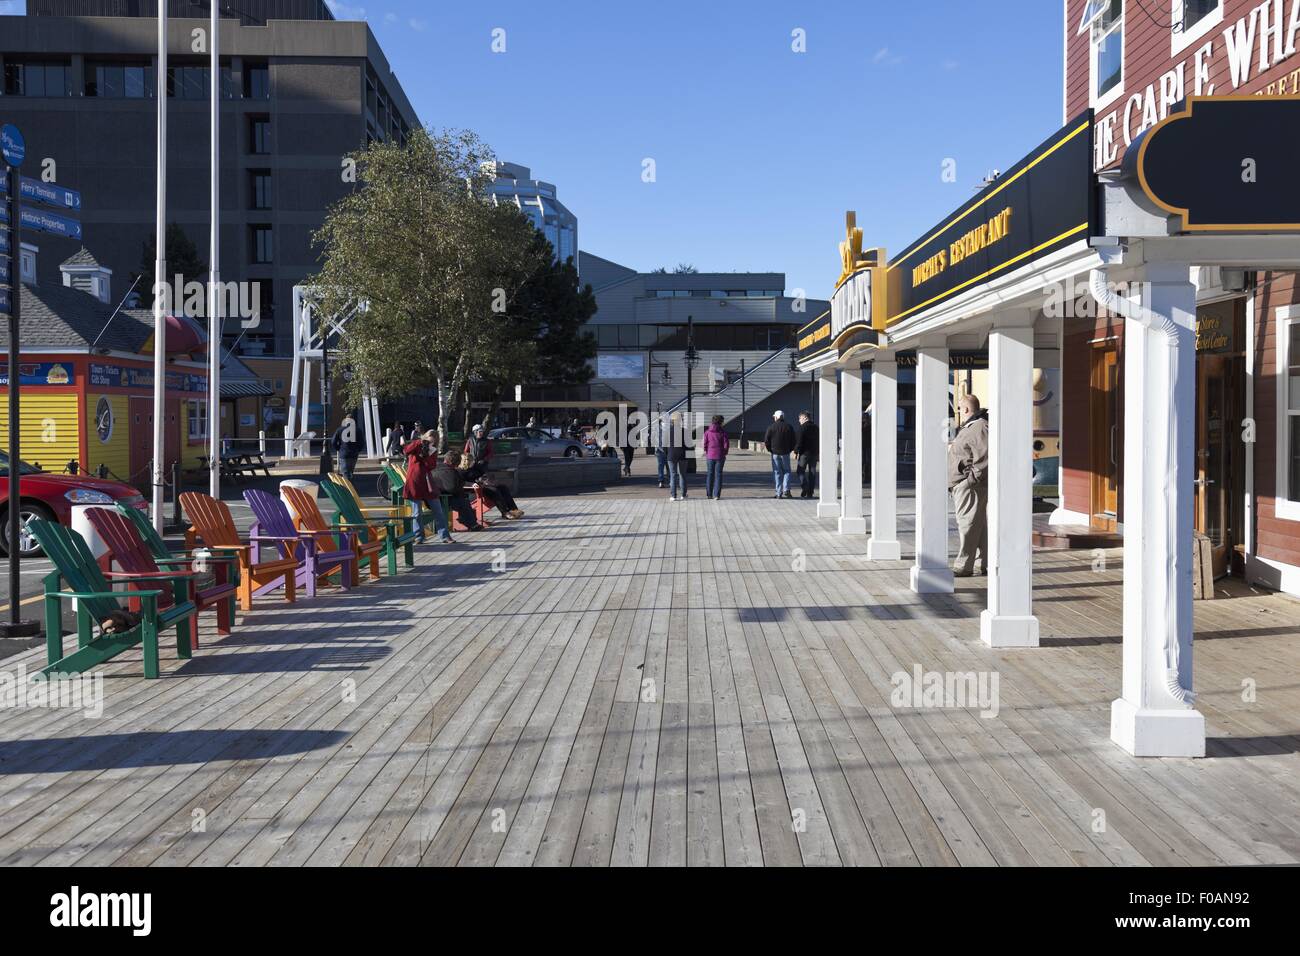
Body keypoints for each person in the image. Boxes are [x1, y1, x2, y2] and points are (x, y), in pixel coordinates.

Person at [948, 394, 990, 577]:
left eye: (959, 408)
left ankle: (964, 565)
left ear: (965, 409)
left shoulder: (978, 427)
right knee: (978, 525)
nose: (958, 412)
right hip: (966, 484)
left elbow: (984, 455)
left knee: (968, 524)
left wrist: (970, 480)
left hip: (969, 485)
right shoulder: (973, 427)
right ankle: (984, 563)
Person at [402, 430, 452, 543]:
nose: (431, 439)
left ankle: (444, 535)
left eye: (434, 438)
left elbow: (431, 465)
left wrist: (426, 456)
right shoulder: (417, 444)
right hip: (414, 480)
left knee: (437, 509)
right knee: (417, 512)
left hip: (427, 481)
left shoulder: (433, 450)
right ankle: (419, 536)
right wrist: (420, 443)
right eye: (430, 436)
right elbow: (406, 450)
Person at [431, 451, 486, 532]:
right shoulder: (452, 472)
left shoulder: (434, 468)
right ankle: (472, 524)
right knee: (463, 502)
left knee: (463, 501)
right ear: (455, 462)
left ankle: (469, 522)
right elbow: (452, 488)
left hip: (431, 499)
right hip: (444, 499)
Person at [461, 453, 524, 519]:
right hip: (472, 492)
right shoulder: (461, 471)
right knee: (494, 490)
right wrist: (472, 484)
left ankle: (514, 509)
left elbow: (483, 473)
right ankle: (505, 512)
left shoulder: (474, 467)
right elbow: (461, 482)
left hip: (482, 486)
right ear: (466, 461)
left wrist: (484, 478)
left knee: (503, 487)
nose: (473, 462)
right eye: (472, 461)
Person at [763, 410, 797, 499]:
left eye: (774, 417)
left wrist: (770, 450)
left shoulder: (771, 427)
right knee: (787, 471)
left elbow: (766, 441)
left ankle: (778, 493)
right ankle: (786, 490)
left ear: (776, 417)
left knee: (777, 472)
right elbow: (794, 440)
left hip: (775, 453)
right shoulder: (789, 427)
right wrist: (790, 449)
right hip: (785, 452)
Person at [702, 415, 729, 500]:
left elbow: (704, 444)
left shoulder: (707, 432)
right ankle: (716, 495)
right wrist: (724, 453)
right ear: (720, 422)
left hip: (710, 455)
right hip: (720, 456)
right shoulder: (723, 432)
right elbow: (726, 445)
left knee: (710, 474)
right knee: (718, 475)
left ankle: (709, 494)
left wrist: (707, 452)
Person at [795, 411, 820, 499]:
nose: (799, 420)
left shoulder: (802, 428)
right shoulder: (816, 428)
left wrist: (796, 451)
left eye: (800, 418)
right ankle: (810, 492)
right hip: (814, 453)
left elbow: (799, 441)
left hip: (804, 453)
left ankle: (805, 486)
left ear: (805, 418)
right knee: (812, 472)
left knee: (800, 470)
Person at [666, 413, 689, 500]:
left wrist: (667, 453)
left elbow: (664, 445)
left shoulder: (668, 431)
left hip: (671, 454)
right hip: (682, 454)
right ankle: (683, 495)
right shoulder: (685, 431)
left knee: (673, 475)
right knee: (682, 475)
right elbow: (688, 445)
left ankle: (673, 495)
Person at [331, 414, 360, 480]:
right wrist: (358, 450)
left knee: (345, 473)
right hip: (354, 454)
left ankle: (347, 488)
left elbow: (333, 442)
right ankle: (351, 486)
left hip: (344, 453)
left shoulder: (340, 430)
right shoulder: (358, 430)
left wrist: (338, 448)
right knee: (351, 471)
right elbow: (361, 442)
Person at [652, 413, 669, 489]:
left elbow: (653, 439)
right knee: (669, 466)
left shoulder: (657, 428)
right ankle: (670, 480)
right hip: (667, 449)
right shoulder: (670, 427)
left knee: (661, 466)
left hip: (660, 449)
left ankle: (661, 481)